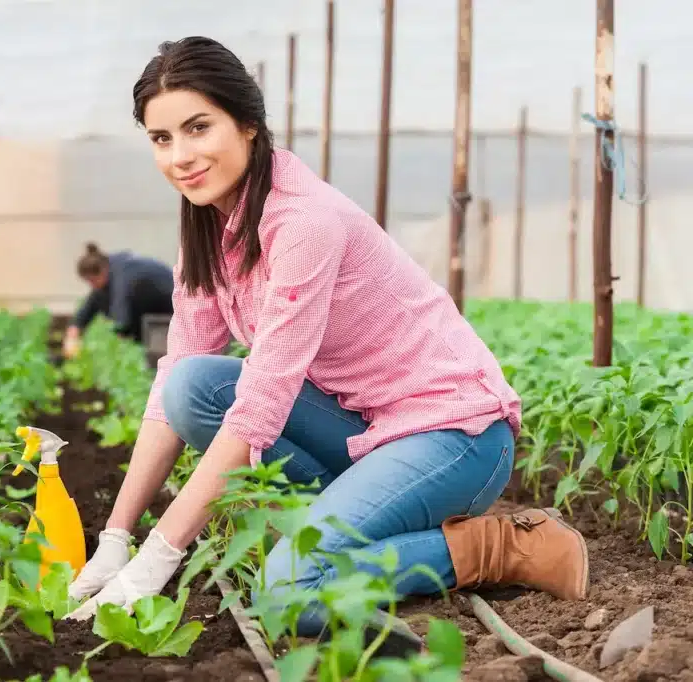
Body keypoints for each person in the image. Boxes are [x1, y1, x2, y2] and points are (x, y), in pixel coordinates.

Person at [63, 36, 589, 636]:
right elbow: (177, 373)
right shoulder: (208, 232)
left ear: (249, 126)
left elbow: (262, 405)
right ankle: (345, 518)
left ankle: (501, 547)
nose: (180, 155)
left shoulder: (303, 221)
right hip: (362, 429)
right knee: (192, 386)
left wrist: (158, 558)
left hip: (452, 435)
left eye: (198, 128)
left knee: (289, 591)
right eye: (162, 139)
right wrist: (115, 537)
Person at [63, 243, 174, 358]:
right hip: (150, 314)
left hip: (168, 313)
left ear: (102, 271)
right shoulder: (110, 270)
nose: (92, 286)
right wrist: (75, 329)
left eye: (92, 281)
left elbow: (121, 318)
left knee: (159, 357)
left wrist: (109, 347)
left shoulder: (122, 274)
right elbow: (92, 302)